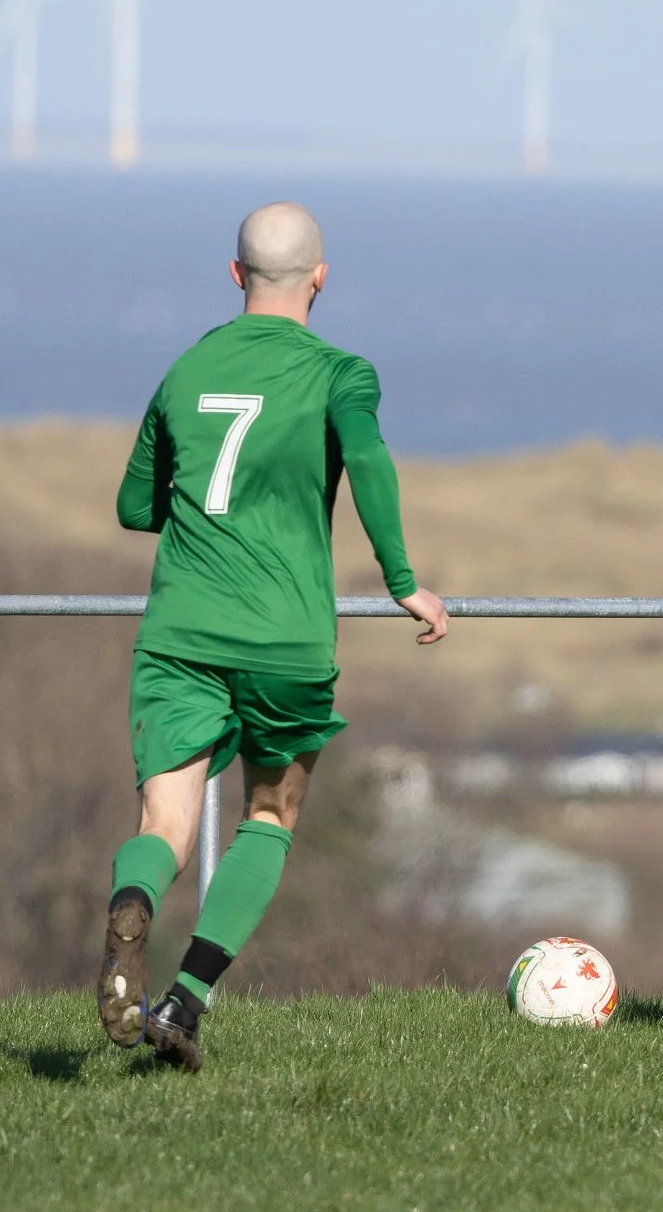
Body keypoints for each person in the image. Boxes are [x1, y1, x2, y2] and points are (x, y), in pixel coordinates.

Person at [96, 202, 449, 1070]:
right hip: (285, 641)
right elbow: (368, 464)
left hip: (180, 630)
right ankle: (185, 999)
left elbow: (135, 506)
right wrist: (404, 582)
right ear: (320, 278)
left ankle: (135, 897)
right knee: (269, 814)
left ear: (234, 274)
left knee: (165, 816)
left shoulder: (186, 370)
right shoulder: (340, 374)